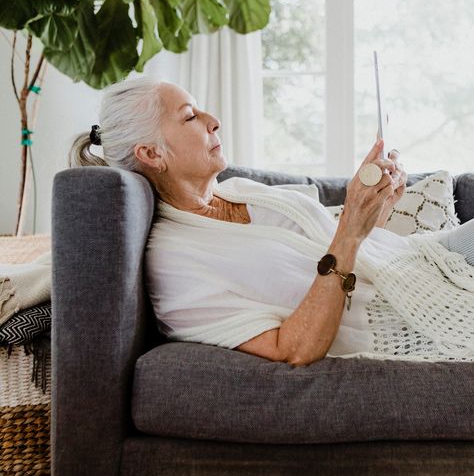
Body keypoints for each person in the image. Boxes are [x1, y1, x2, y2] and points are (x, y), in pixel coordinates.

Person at [70, 77, 474, 365]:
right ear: (152, 154)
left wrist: (378, 205)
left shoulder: (239, 190)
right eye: (190, 116)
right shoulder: (176, 261)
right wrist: (351, 227)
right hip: (411, 311)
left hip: (427, 261)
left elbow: (345, 251)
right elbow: (293, 348)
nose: (214, 121)